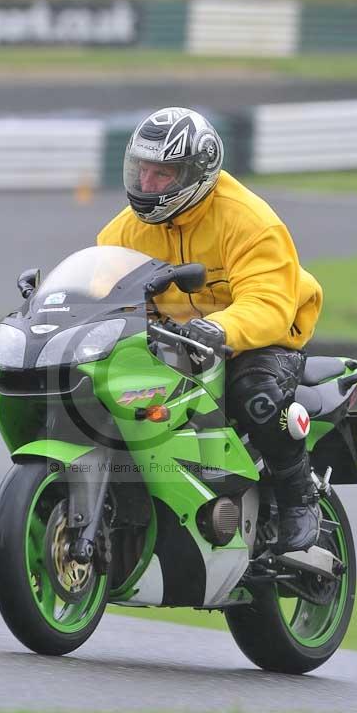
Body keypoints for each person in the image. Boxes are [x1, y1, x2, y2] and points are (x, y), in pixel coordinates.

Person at [97, 106, 323, 554]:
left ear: (195, 173)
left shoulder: (250, 221)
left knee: (255, 393)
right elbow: (97, 290)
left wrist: (219, 329)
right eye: (143, 171)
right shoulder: (122, 231)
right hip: (171, 342)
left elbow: (269, 303)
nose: (148, 185)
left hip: (257, 340)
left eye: (163, 174)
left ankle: (300, 498)